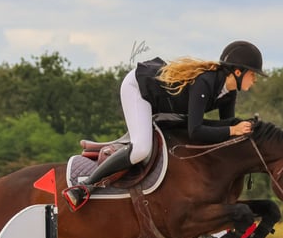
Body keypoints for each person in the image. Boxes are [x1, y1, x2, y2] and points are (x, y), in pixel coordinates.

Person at [63, 40, 267, 210]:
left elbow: (224, 130)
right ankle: (85, 187)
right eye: (253, 74)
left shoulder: (228, 93)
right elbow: (196, 131)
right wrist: (233, 129)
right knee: (141, 150)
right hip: (139, 89)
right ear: (238, 72)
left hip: (165, 106)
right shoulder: (205, 82)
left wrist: (243, 129)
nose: (255, 79)